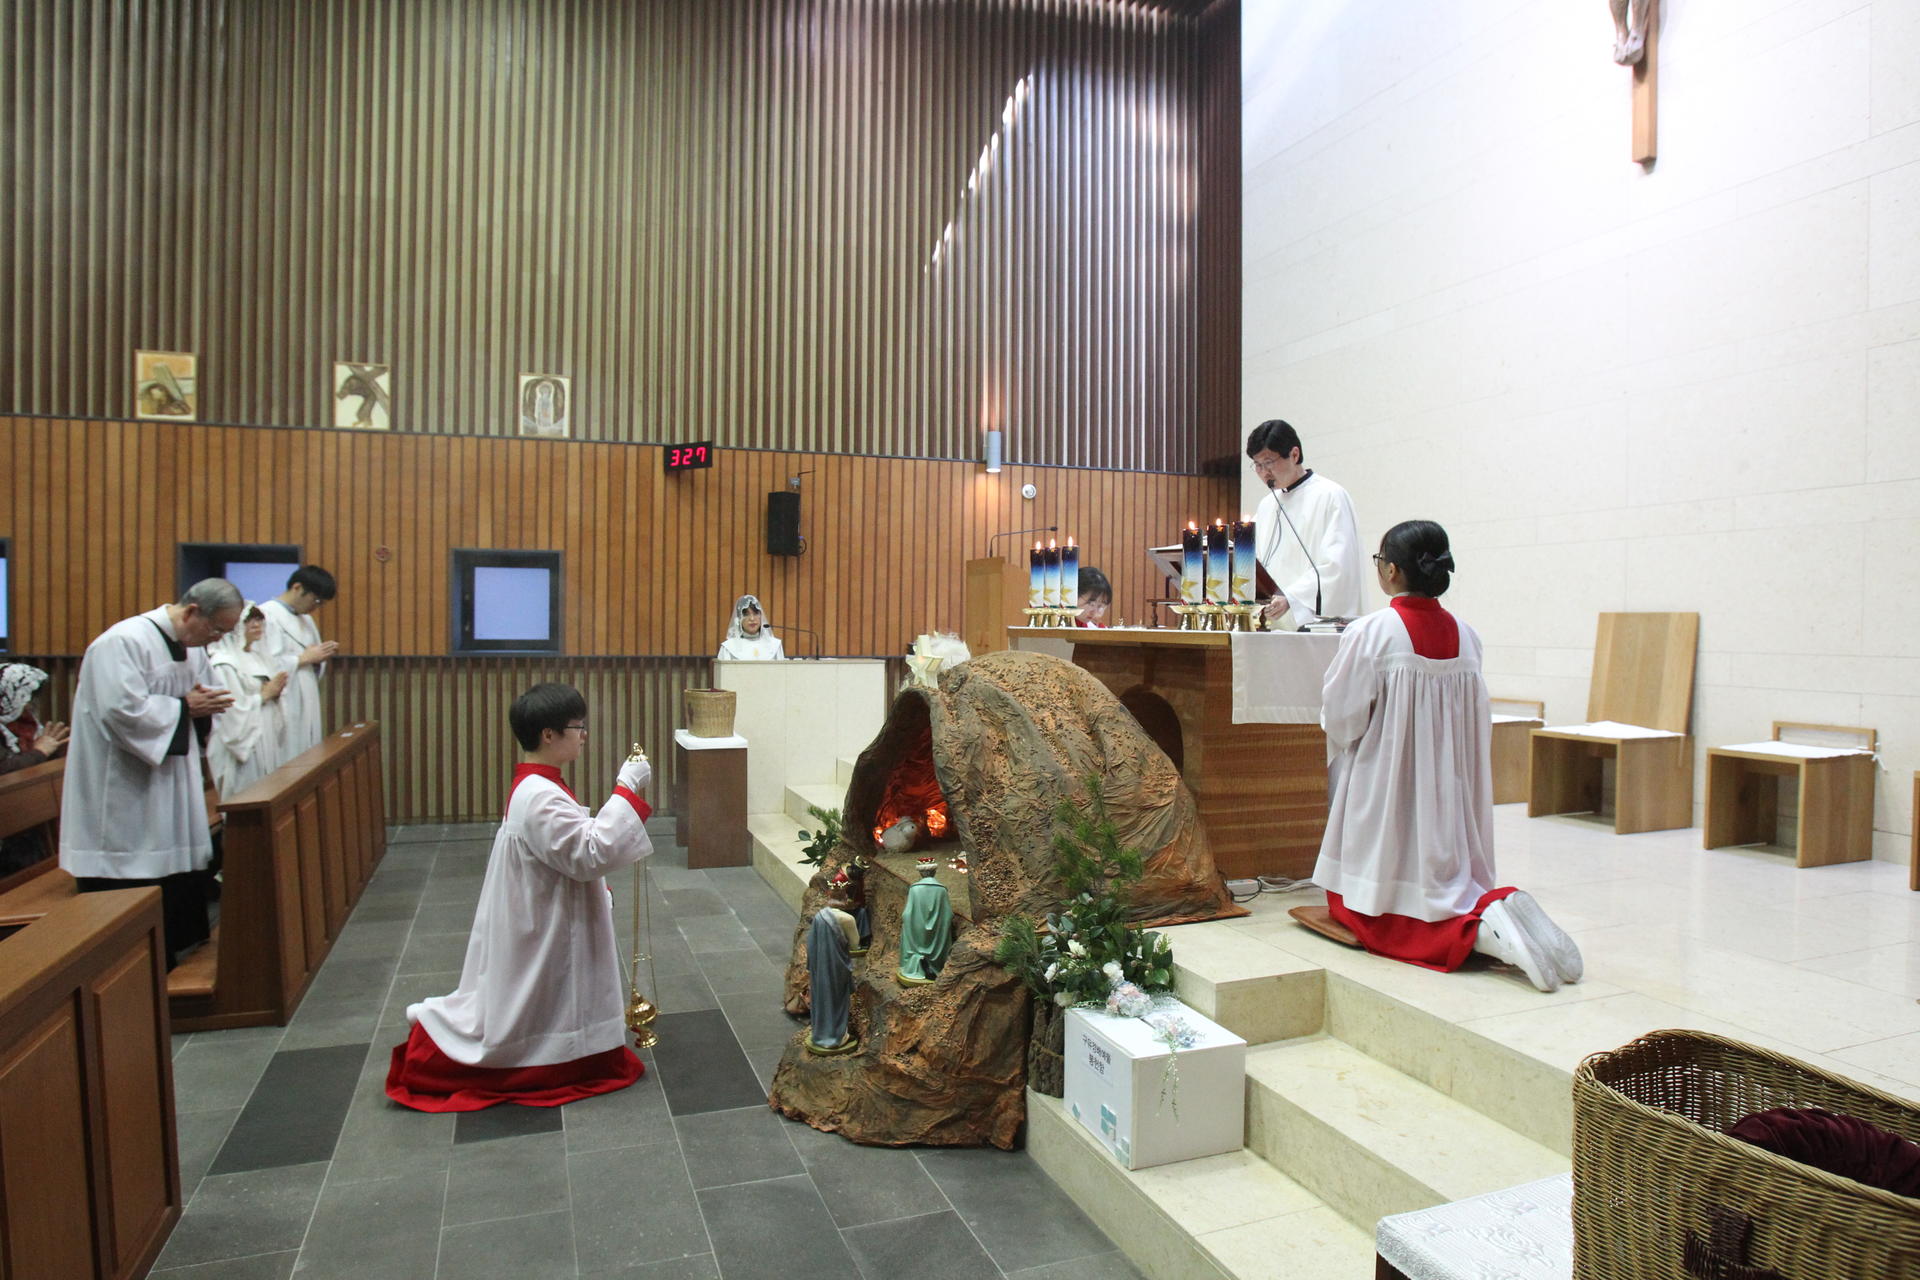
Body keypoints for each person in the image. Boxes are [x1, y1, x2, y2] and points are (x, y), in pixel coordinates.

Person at [1312, 521, 1582, 993]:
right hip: (1451, 789)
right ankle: (1498, 906)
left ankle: (1485, 935)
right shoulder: (1468, 636)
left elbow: (1342, 716)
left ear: (1392, 571)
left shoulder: (1371, 632)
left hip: (1388, 788)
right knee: (1449, 886)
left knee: (1366, 909)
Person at [387, 682, 655, 1111]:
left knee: (541, 992)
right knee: (539, 993)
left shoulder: (539, 786)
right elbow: (590, 852)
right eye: (577, 727)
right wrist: (626, 788)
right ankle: (545, 1058)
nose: (584, 735)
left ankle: (574, 1051)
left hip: (544, 904)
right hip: (545, 917)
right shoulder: (539, 796)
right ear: (548, 734)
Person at [58, 579, 241, 967]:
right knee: (132, 864)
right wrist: (183, 708)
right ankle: (132, 965)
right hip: (123, 783)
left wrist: (203, 707)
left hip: (171, 777)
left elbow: (208, 696)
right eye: (216, 630)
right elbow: (120, 710)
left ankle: (176, 950)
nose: (217, 640)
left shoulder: (193, 649)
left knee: (174, 863)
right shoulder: (121, 642)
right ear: (192, 611)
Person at [1246, 420, 1365, 628]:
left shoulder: (1330, 496)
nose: (1264, 472)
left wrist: (1292, 598)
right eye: (1257, 465)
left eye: (1268, 462)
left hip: (1314, 624)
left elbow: (1338, 565)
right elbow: (1253, 561)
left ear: (1294, 454)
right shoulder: (1267, 505)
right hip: (1271, 623)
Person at [206, 604, 288, 798]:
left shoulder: (259, 657)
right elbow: (230, 710)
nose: (257, 625)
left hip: (265, 732)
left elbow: (270, 692)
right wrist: (264, 696)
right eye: (249, 621)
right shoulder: (225, 663)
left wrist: (276, 693)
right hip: (244, 739)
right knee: (247, 792)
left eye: (259, 620)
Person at [259, 564, 338, 758]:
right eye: (316, 600)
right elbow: (263, 664)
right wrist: (302, 659)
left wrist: (320, 657)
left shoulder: (306, 620)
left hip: (306, 692)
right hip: (285, 698)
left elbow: (312, 657)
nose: (316, 607)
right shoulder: (266, 615)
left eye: (321, 603)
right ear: (297, 587)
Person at [1, 663, 72, 875]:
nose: (30, 705)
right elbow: (4, 772)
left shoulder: (25, 725)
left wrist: (55, 749)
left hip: (29, 824)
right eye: (25, 698)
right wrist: (39, 752)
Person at [806, 884, 860, 1054]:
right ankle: (835, 1035)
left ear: (829, 896)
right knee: (837, 1000)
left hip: (820, 967)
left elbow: (811, 945)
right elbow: (855, 944)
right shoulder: (847, 919)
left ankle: (821, 1032)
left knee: (822, 998)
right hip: (838, 967)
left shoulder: (819, 917)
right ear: (845, 898)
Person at [715, 593, 785, 660]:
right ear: (739, 619)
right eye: (746, 614)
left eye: (756, 614)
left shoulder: (774, 645)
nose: (752, 618)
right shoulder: (729, 647)